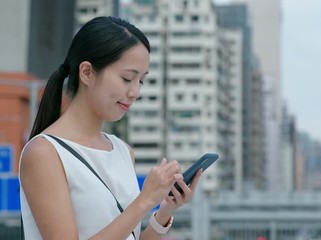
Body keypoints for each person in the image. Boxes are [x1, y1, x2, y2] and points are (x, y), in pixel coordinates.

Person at [19, 16, 202, 240]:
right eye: (127, 78)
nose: (135, 92)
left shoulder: (123, 151)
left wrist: (164, 212)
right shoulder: (44, 153)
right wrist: (144, 201)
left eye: (141, 81)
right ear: (86, 72)